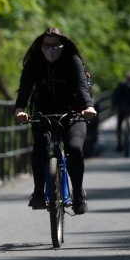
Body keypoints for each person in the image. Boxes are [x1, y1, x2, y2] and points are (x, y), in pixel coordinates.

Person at [13, 27, 97, 213]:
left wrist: (88, 107)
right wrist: (20, 109)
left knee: (74, 148)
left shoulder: (72, 59)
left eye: (55, 45)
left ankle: (78, 193)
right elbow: (25, 87)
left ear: (64, 44)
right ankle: (38, 193)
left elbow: (82, 86)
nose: (51, 49)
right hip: (44, 113)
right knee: (41, 145)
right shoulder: (35, 61)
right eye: (47, 45)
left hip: (74, 113)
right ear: (41, 45)